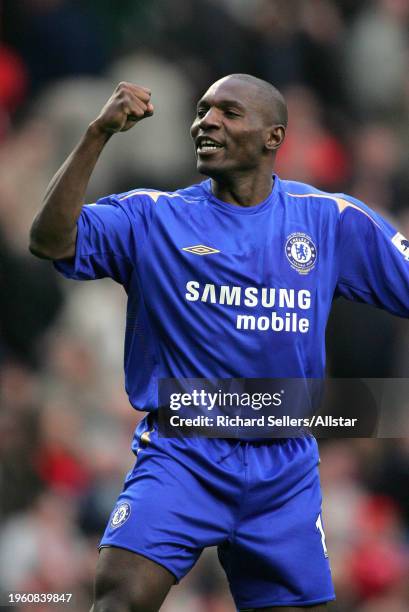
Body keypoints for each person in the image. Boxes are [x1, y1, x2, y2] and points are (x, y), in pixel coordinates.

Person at [29, 74, 409, 611]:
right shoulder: (153, 217)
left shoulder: (329, 219)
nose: (206, 121)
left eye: (229, 113)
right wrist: (97, 134)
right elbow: (48, 239)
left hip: (285, 467)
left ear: (273, 137)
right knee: (119, 596)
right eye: (204, 110)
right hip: (183, 452)